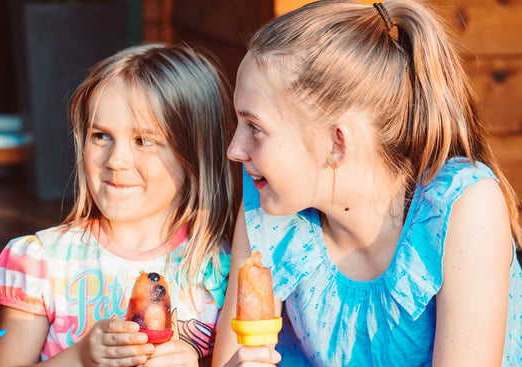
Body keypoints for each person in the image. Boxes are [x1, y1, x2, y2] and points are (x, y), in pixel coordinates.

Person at [212, 0, 522, 366]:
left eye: (255, 128)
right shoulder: (269, 204)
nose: (234, 150)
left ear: (336, 143)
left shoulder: (464, 207)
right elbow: (230, 358)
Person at [0, 43, 236, 366]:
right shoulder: (44, 263)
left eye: (144, 140)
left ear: (193, 155)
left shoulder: (219, 270)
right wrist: (80, 356)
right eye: (101, 136)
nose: (117, 160)